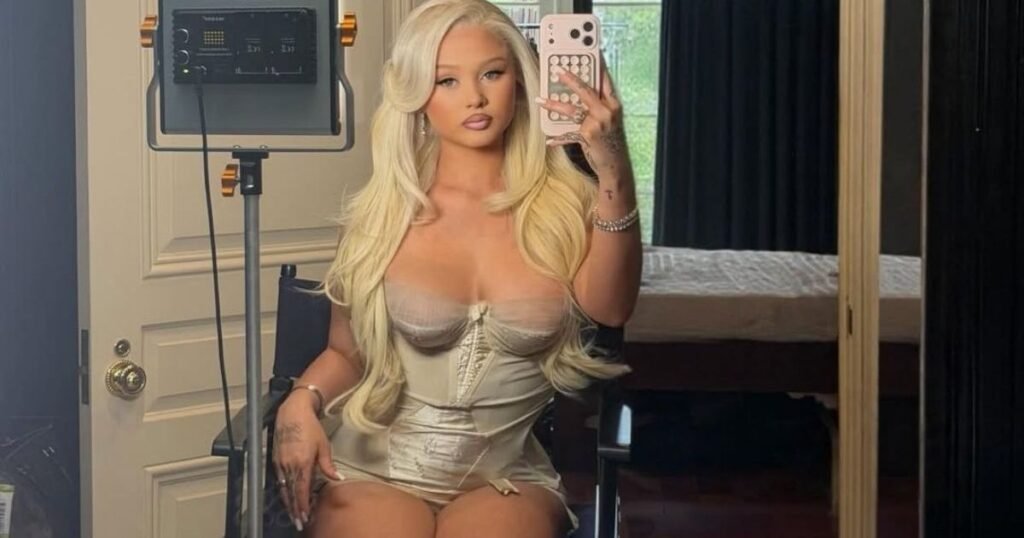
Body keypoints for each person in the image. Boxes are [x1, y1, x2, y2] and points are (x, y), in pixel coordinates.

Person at [272, 0, 641, 536]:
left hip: (506, 479)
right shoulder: (382, 215)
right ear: (418, 96)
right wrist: (299, 403)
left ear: (520, 82)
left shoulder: (569, 208)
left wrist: (613, 165)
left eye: (492, 73)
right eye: (447, 80)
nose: (475, 97)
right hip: (375, 470)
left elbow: (612, 308)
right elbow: (346, 353)